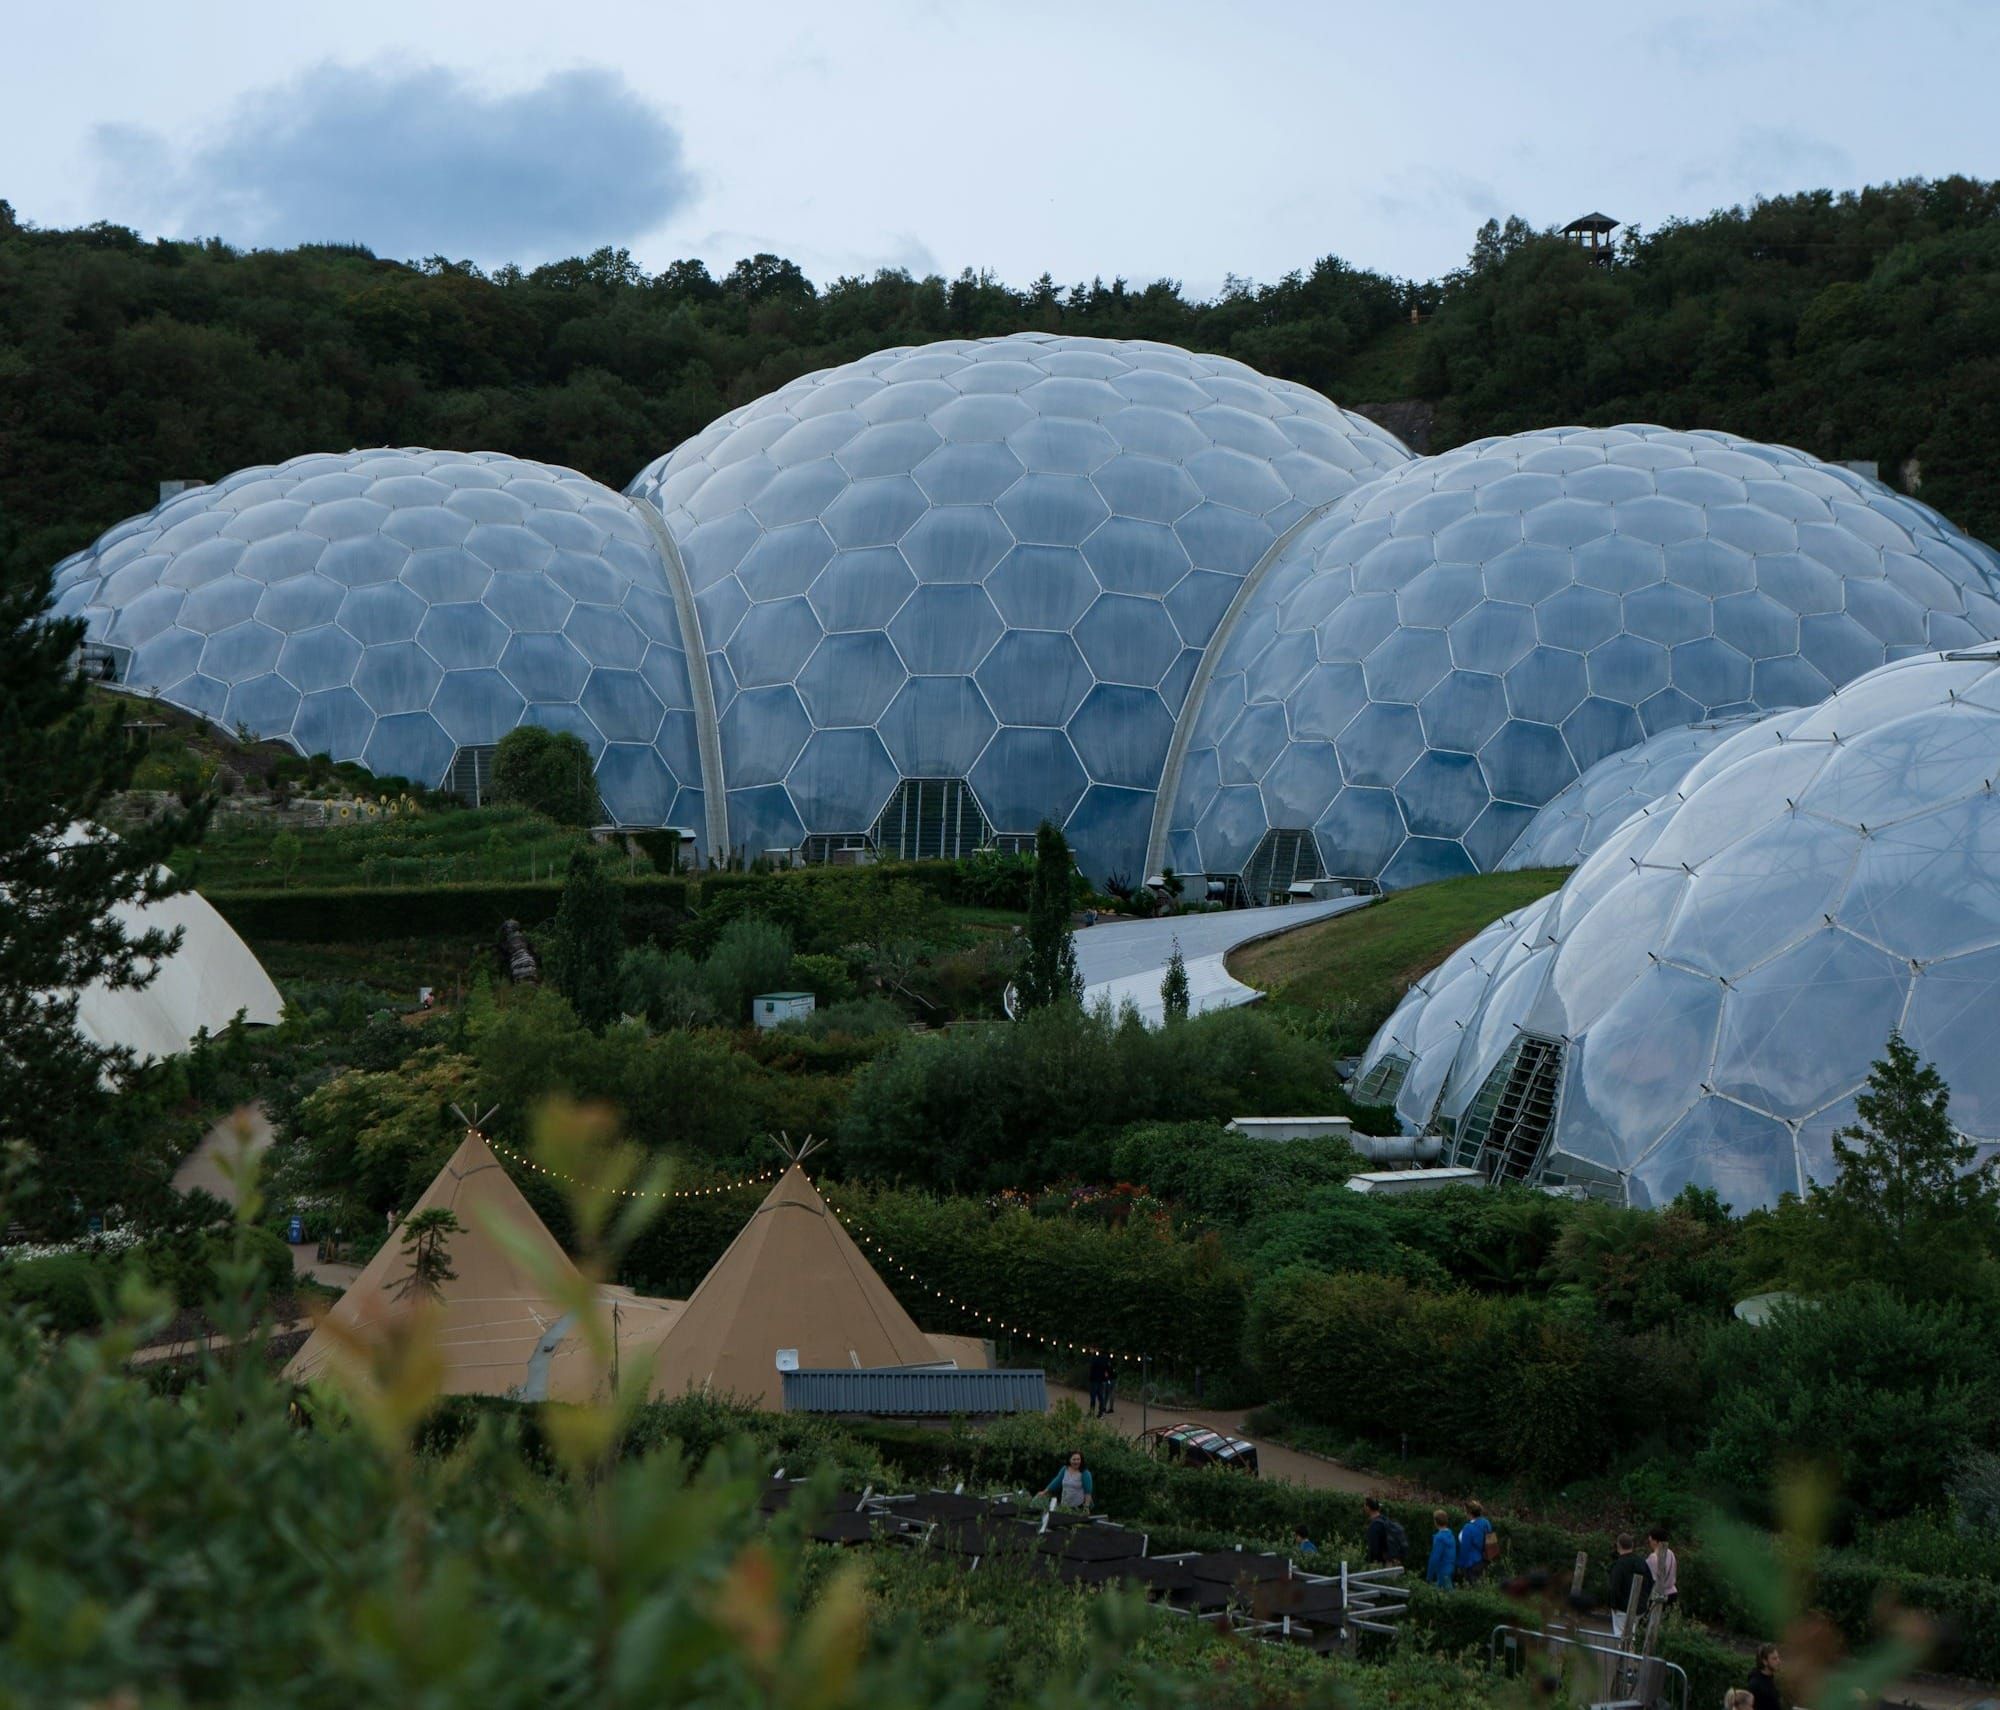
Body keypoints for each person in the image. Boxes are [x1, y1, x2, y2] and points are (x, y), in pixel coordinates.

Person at [1606, 1532, 1653, 1640]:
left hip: (1622, 1608)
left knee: (1622, 1636)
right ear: (1632, 1545)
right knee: (1632, 1635)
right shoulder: (1642, 1562)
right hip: (1640, 1607)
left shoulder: (1619, 1565)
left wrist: (1613, 1604)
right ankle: (1630, 1654)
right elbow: (1650, 1582)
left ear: (1618, 1546)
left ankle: (1625, 1656)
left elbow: (1614, 1587)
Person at [1457, 1499, 1492, 1586]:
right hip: (1484, 1561)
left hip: (1471, 1564)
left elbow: (1464, 1550)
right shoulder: (1486, 1522)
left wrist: (1460, 1566)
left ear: (1469, 1512)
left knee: (1472, 1588)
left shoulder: (1468, 1528)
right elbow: (1490, 1540)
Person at [1363, 1495, 1406, 1565]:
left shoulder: (1374, 1525)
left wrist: (1372, 1564)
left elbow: (1374, 1549)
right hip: (1391, 1561)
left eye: (1364, 1506)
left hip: (1382, 1564)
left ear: (1368, 1508)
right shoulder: (1385, 1520)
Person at [1646, 1524, 1678, 1608]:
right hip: (1672, 1592)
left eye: (1650, 1540)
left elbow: (1651, 1579)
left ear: (1656, 1541)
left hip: (1659, 1596)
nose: (1649, 1543)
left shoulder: (1653, 1558)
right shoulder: (1671, 1553)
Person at [1746, 1643, 1782, 1710]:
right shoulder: (1755, 1685)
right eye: (1774, 1658)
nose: (1779, 1661)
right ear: (1764, 1661)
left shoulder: (1770, 1678)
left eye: (1778, 1657)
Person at [1426, 1508, 1455, 1588]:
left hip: (1442, 1571)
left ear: (1435, 1522)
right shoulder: (1451, 1535)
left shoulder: (1439, 1538)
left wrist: (1429, 1577)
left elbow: (1434, 1558)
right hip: (1450, 1569)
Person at [1086, 1351, 1113, 1418]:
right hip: (1100, 1381)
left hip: (1094, 1380)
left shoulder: (1094, 1359)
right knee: (1101, 1398)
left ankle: (1092, 1413)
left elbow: (1091, 1368)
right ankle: (1100, 1413)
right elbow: (1108, 1370)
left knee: (1093, 1398)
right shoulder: (1105, 1361)